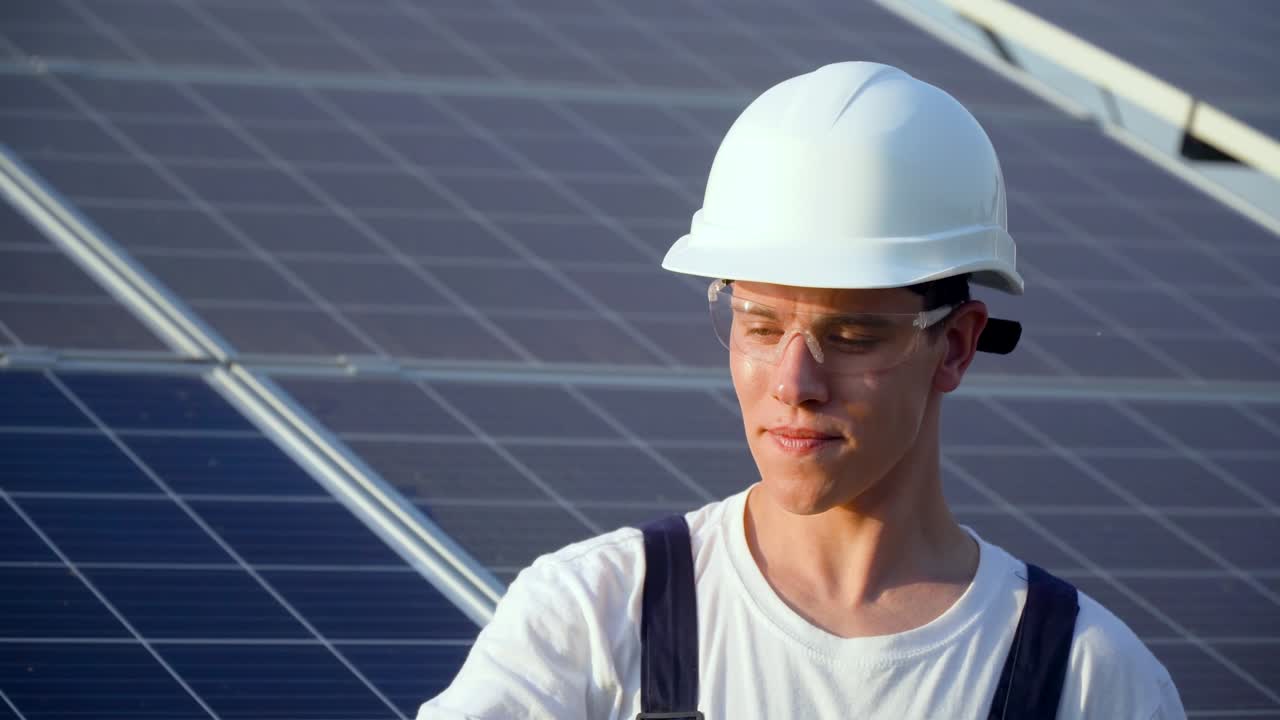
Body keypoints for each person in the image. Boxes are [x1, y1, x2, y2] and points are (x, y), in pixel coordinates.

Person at [420, 61, 1184, 719]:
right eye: (757, 326)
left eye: (852, 336)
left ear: (954, 346)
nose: (794, 382)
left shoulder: (1087, 680)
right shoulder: (591, 621)